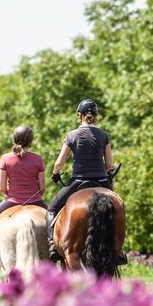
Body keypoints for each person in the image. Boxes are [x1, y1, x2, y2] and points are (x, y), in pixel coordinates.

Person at [47, 99, 114, 262]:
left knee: (51, 208)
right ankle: (118, 249)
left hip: (78, 182)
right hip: (102, 181)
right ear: (95, 117)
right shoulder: (104, 135)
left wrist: (55, 173)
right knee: (117, 209)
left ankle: (52, 245)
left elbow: (58, 163)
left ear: (79, 116)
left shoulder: (72, 135)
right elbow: (110, 164)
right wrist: (106, 173)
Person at [0, 125, 46, 259]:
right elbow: (42, 188)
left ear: (14, 139)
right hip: (36, 201)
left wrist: (9, 195)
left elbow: (2, 187)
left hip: (11, 201)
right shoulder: (38, 159)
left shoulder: (5, 158)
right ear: (31, 141)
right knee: (56, 224)